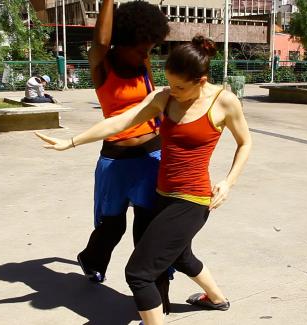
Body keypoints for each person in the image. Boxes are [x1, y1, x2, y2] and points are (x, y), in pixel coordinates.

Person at [35, 35, 252, 325]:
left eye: (180, 87)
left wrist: (228, 182)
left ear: (201, 81)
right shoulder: (164, 98)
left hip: (192, 200)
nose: (172, 91)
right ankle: (217, 299)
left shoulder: (224, 102)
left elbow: (245, 143)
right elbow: (121, 121)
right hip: (161, 194)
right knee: (180, 255)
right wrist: (72, 141)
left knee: (138, 274)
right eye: (169, 83)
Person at [74, 0, 170, 290]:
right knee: (112, 225)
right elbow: (101, 41)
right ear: (123, 40)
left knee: (148, 226)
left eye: (151, 47)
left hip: (151, 155)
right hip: (116, 160)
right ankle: (91, 260)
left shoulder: (143, 64)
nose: (147, 52)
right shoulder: (102, 64)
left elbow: (156, 104)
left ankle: (153, 293)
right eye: (142, 47)